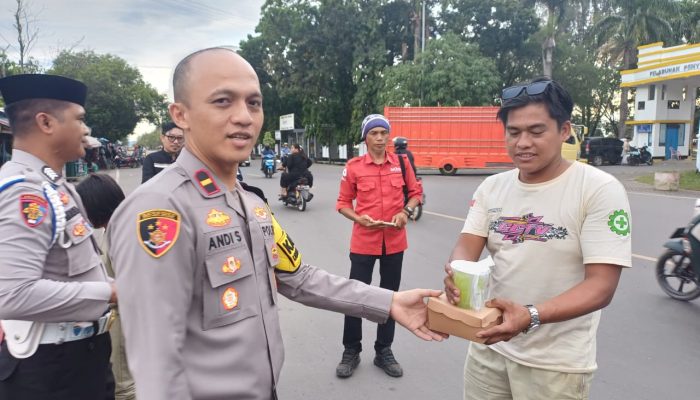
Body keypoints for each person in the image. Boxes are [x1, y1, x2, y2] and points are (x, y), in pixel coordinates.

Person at [107, 47, 444, 400]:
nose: (244, 117)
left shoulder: (251, 204)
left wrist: (389, 302)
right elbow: (157, 370)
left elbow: (298, 277)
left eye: (254, 103)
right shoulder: (160, 210)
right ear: (181, 115)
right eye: (223, 101)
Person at [443, 78, 632, 399]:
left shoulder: (599, 189)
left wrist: (531, 315)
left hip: (556, 365)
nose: (523, 142)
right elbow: (467, 245)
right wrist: (456, 273)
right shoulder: (492, 188)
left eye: (536, 131)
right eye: (514, 133)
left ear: (564, 130)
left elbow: (601, 287)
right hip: (489, 348)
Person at [0, 74, 117, 399]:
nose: (85, 130)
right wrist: (110, 291)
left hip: (79, 358)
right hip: (51, 369)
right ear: (46, 122)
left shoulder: (56, 187)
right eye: (79, 119)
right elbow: (11, 294)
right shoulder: (25, 194)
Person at [335, 114, 423, 379]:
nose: (380, 138)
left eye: (384, 133)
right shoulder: (353, 167)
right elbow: (342, 203)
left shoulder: (402, 162)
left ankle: (383, 351)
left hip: (394, 242)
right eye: (374, 133)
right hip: (364, 241)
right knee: (354, 296)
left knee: (391, 297)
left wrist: (406, 212)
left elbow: (416, 193)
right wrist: (358, 218)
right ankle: (351, 350)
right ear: (366, 137)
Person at [76, 174, 134, 400]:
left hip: (122, 316)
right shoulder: (118, 227)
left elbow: (128, 285)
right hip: (120, 314)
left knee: (123, 385)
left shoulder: (118, 233)